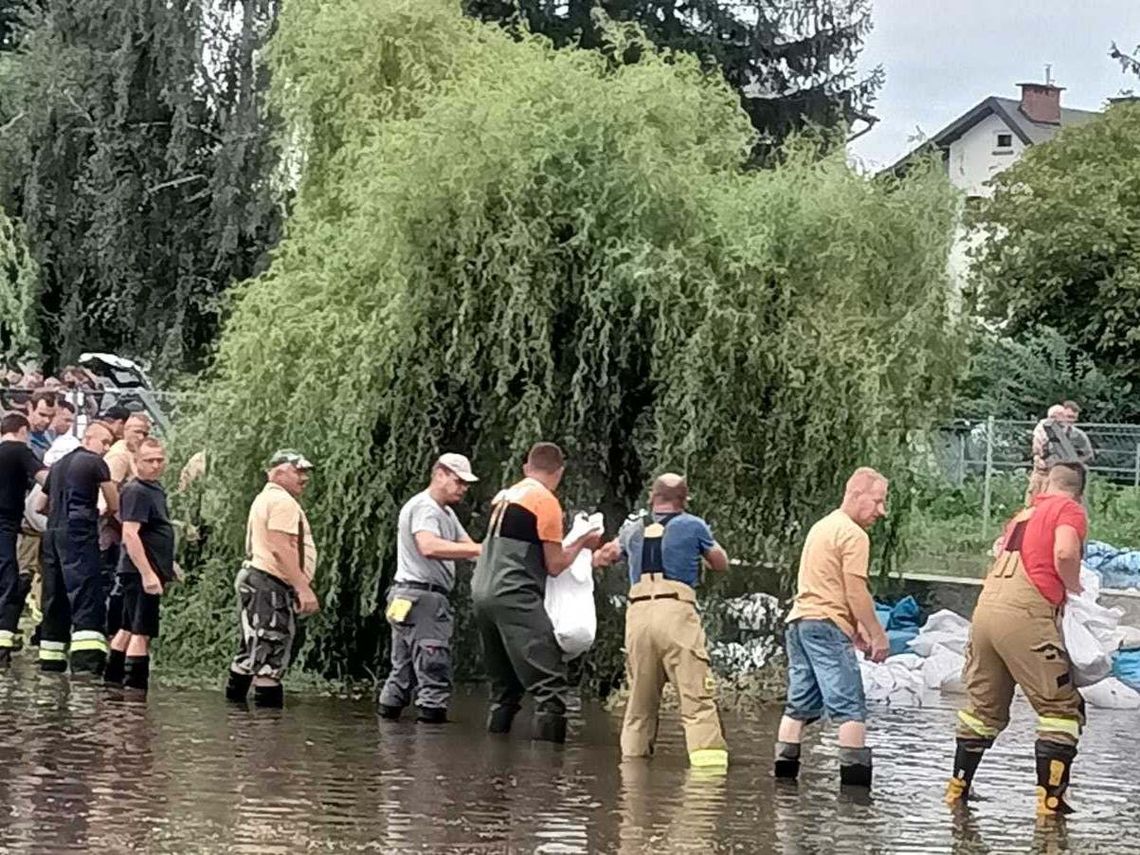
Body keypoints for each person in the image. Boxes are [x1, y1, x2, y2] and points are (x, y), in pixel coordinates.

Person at [946, 462, 1088, 817]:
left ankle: (957, 792)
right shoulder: (1068, 509)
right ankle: (1050, 803)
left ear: (1048, 483)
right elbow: (1065, 552)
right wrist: (1074, 587)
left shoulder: (1022, 516)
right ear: (1080, 491)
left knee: (983, 711)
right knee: (1061, 709)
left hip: (985, 614)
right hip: (1026, 615)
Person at [599, 473, 731, 768]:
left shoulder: (632, 528)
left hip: (638, 616)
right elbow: (720, 562)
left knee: (639, 704)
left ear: (651, 497)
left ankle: (632, 778)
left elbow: (606, 556)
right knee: (696, 700)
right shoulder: (693, 525)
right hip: (676, 614)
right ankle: (708, 787)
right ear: (684, 500)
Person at [470, 442, 599, 743]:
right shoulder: (545, 502)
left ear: (527, 468)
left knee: (505, 688)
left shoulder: (504, 496)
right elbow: (554, 565)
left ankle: (495, 761)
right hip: (514, 594)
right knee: (550, 686)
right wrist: (582, 542)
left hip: (482, 592)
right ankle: (548, 778)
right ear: (560, 472)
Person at [773, 467, 890, 789]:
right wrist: (877, 634)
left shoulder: (822, 527)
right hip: (825, 625)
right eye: (877, 501)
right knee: (851, 707)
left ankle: (783, 785)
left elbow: (825, 584)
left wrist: (853, 628)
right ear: (855, 495)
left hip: (800, 623)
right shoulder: (854, 535)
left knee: (798, 707)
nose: (882, 511)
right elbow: (855, 590)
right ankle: (856, 802)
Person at [378, 453, 481, 723]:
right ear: (439, 475)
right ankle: (431, 752)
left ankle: (387, 736)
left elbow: (469, 548)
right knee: (433, 670)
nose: (463, 488)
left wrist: (489, 553)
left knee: (403, 671)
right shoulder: (426, 508)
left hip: (405, 597)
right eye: (459, 481)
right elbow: (429, 546)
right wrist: (484, 549)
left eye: (466, 484)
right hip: (424, 600)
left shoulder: (445, 513)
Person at [224, 450, 319, 708]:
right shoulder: (283, 502)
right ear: (278, 472)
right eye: (298, 471)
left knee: (252, 650)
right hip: (269, 583)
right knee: (271, 656)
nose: (304, 478)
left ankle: (235, 718)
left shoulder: (265, 498)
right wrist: (302, 587)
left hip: (257, 580)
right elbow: (280, 545)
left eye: (305, 472)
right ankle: (270, 735)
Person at [103, 438, 174, 693]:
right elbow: (130, 534)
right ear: (136, 462)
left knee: (126, 628)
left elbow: (153, 532)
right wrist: (148, 574)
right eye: (149, 460)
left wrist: (168, 563)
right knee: (141, 632)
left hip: (147, 568)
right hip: (140, 572)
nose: (155, 465)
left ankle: (112, 685)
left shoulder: (153, 489)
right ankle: (135, 694)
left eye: (159, 460)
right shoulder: (137, 491)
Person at [60, 421, 119, 674]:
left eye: (109, 443)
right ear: (87, 438)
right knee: (88, 589)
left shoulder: (60, 464)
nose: (106, 448)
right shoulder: (96, 462)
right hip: (82, 528)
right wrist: (107, 513)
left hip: (56, 531)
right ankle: (87, 662)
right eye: (103, 442)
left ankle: (52, 658)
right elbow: (113, 499)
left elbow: (41, 503)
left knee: (58, 593)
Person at [0, 413, 47, 665]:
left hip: (7, 524)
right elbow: (44, 478)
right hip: (6, 522)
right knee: (8, 579)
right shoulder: (19, 450)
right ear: (22, 431)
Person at [26, 390, 58, 461]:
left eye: (52, 416)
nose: (47, 421)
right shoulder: (17, 437)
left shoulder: (52, 434)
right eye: (42, 415)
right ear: (30, 408)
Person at [1061, 401, 1094, 466]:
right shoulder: (1048, 431)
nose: (1071, 420)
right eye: (1069, 416)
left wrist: (1075, 463)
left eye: (1074, 418)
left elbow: (1089, 455)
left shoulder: (1079, 435)